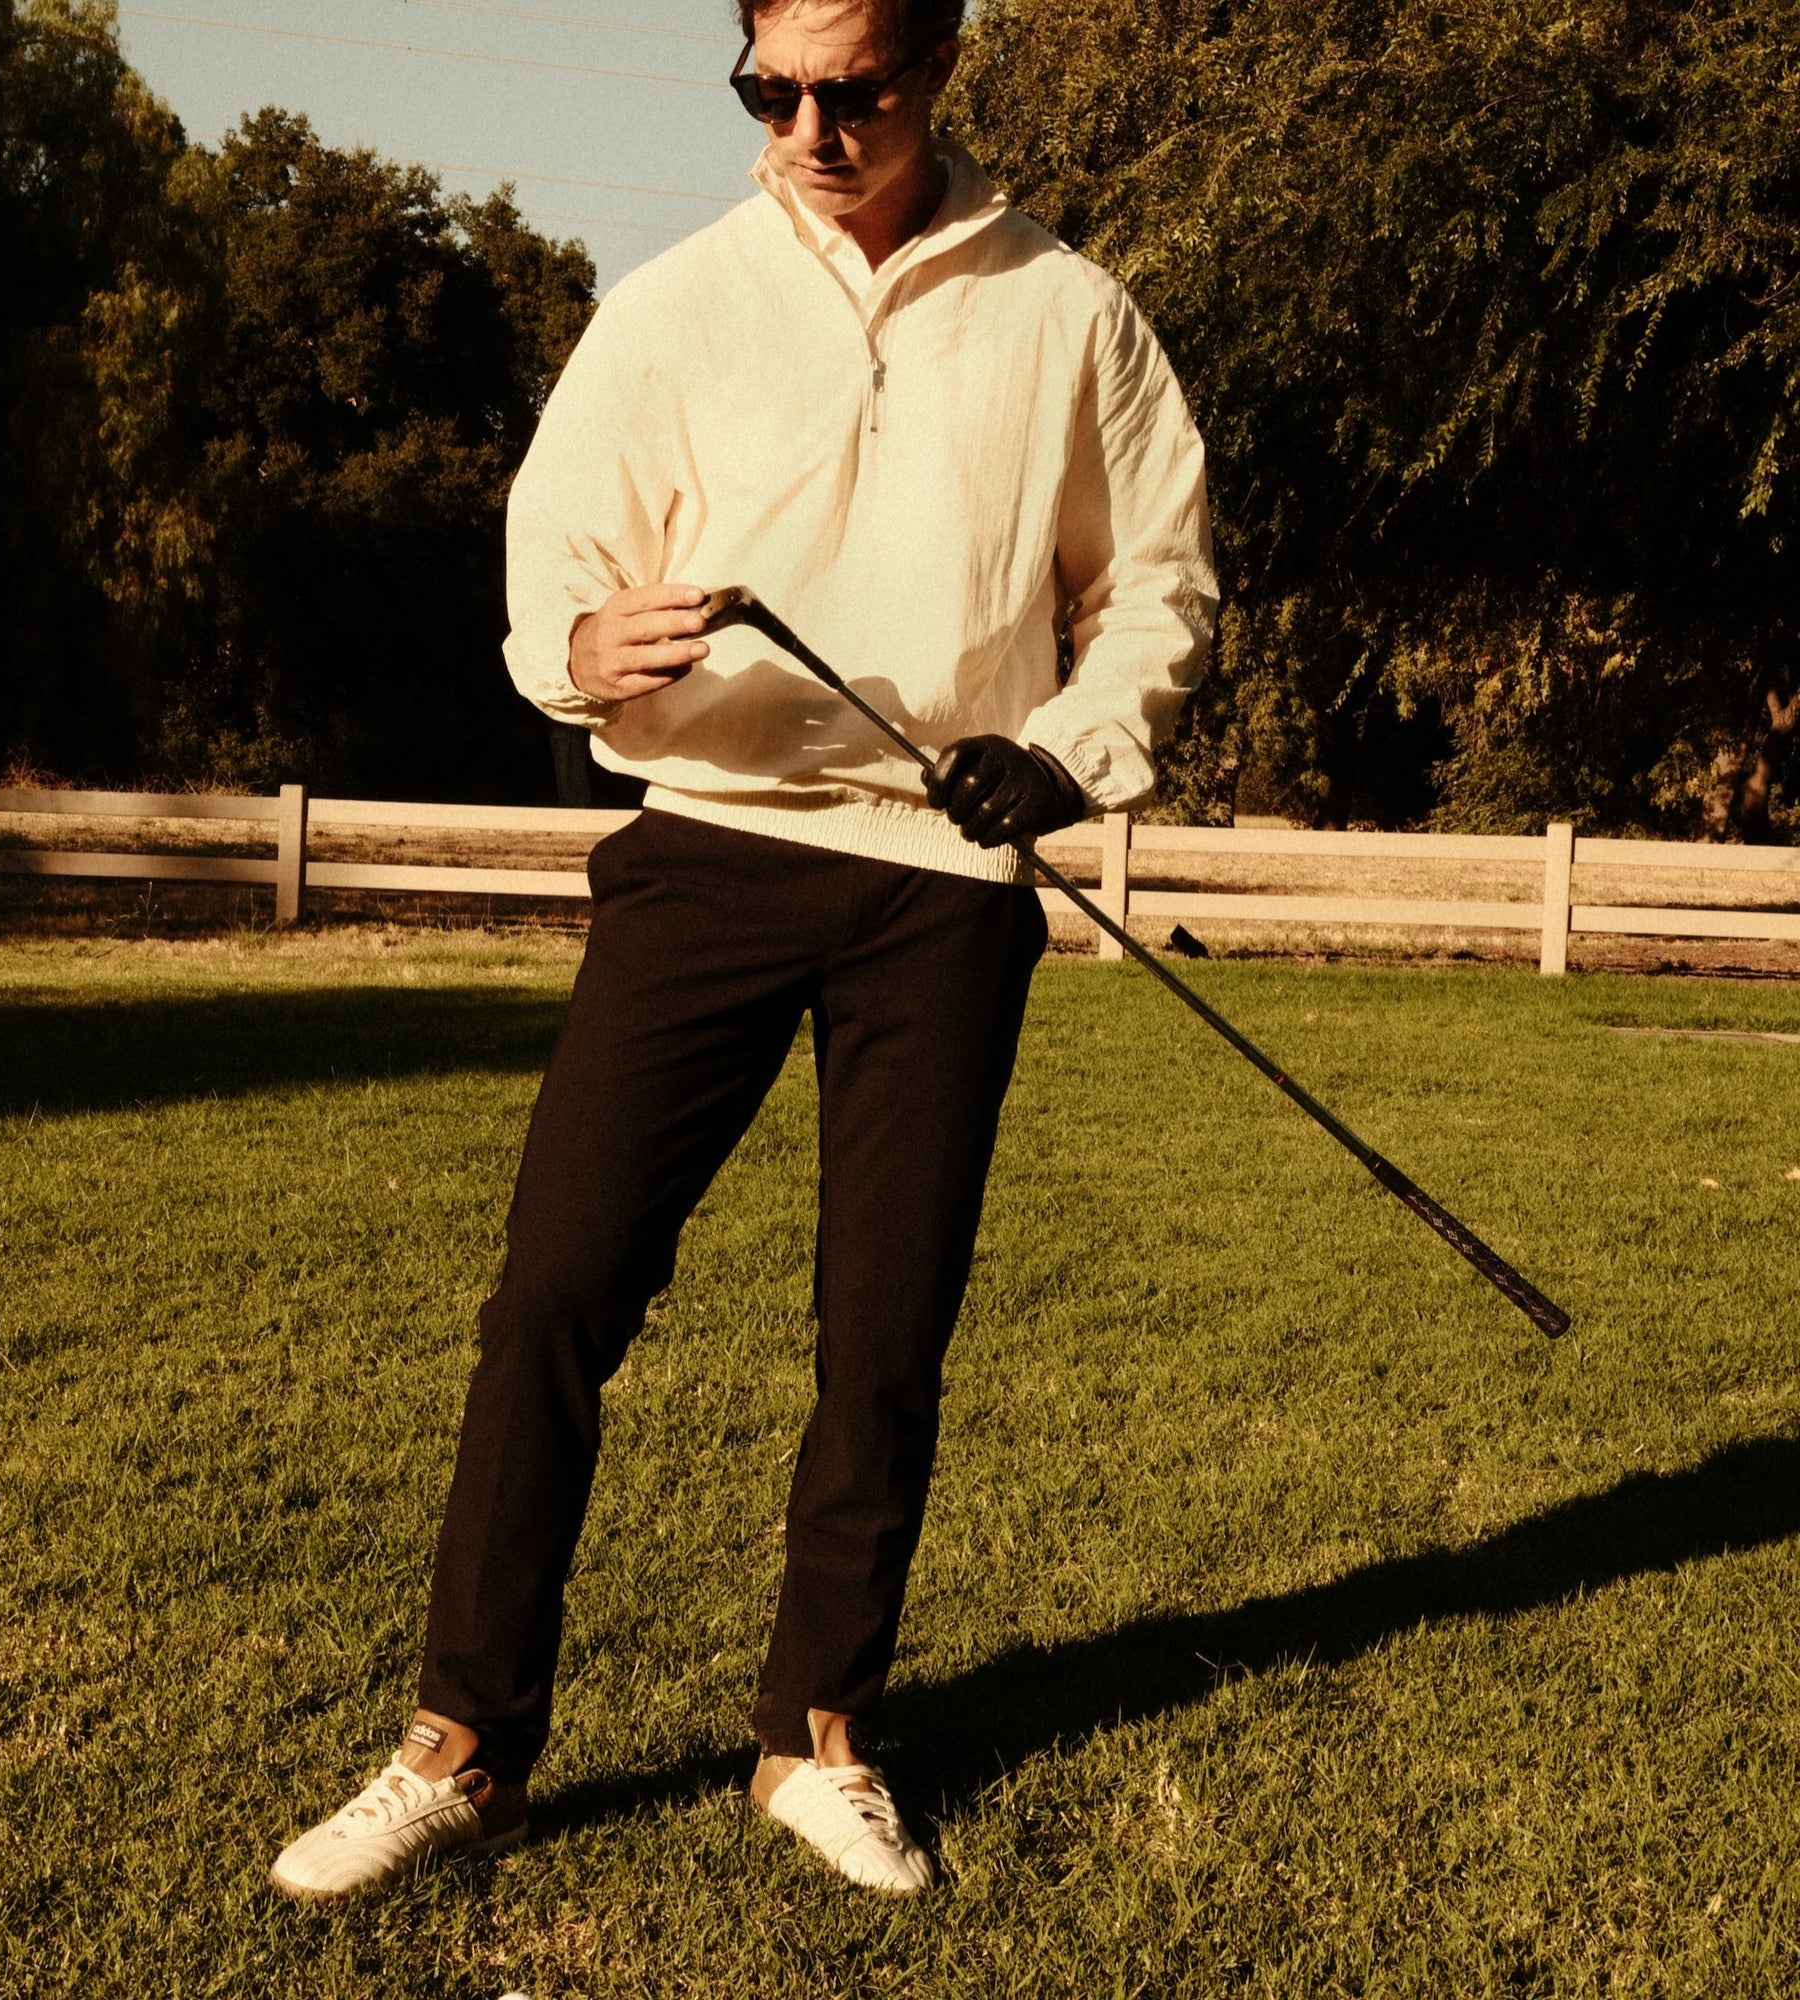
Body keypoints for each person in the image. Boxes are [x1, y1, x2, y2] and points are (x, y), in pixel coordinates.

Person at [270, 0, 1216, 1902]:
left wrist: (1064, 754)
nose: (806, 125)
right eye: (768, 88)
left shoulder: (1072, 316)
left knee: (883, 1339)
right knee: (555, 1293)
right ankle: (461, 1745)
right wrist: (579, 659)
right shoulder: (677, 307)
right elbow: (558, 566)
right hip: (701, 853)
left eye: (850, 90)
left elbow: (1158, 590)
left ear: (938, 69)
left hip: (942, 886)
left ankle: (818, 1742)